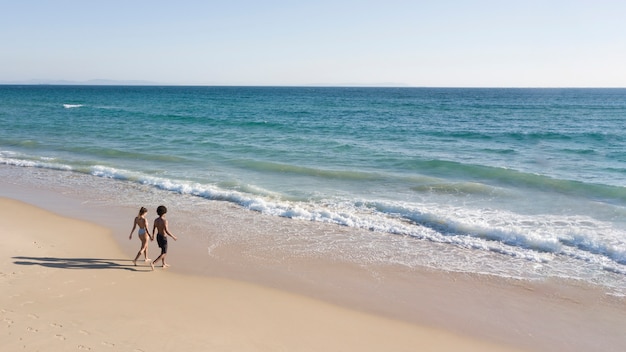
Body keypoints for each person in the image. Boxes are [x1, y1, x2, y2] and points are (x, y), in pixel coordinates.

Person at [151, 205, 177, 270]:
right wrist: (173, 236)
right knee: (164, 253)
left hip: (158, 236)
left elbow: (154, 229)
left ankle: (163, 263)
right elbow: (167, 231)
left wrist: (153, 236)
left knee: (162, 250)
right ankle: (153, 263)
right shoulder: (164, 221)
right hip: (163, 238)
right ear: (164, 213)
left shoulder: (156, 220)